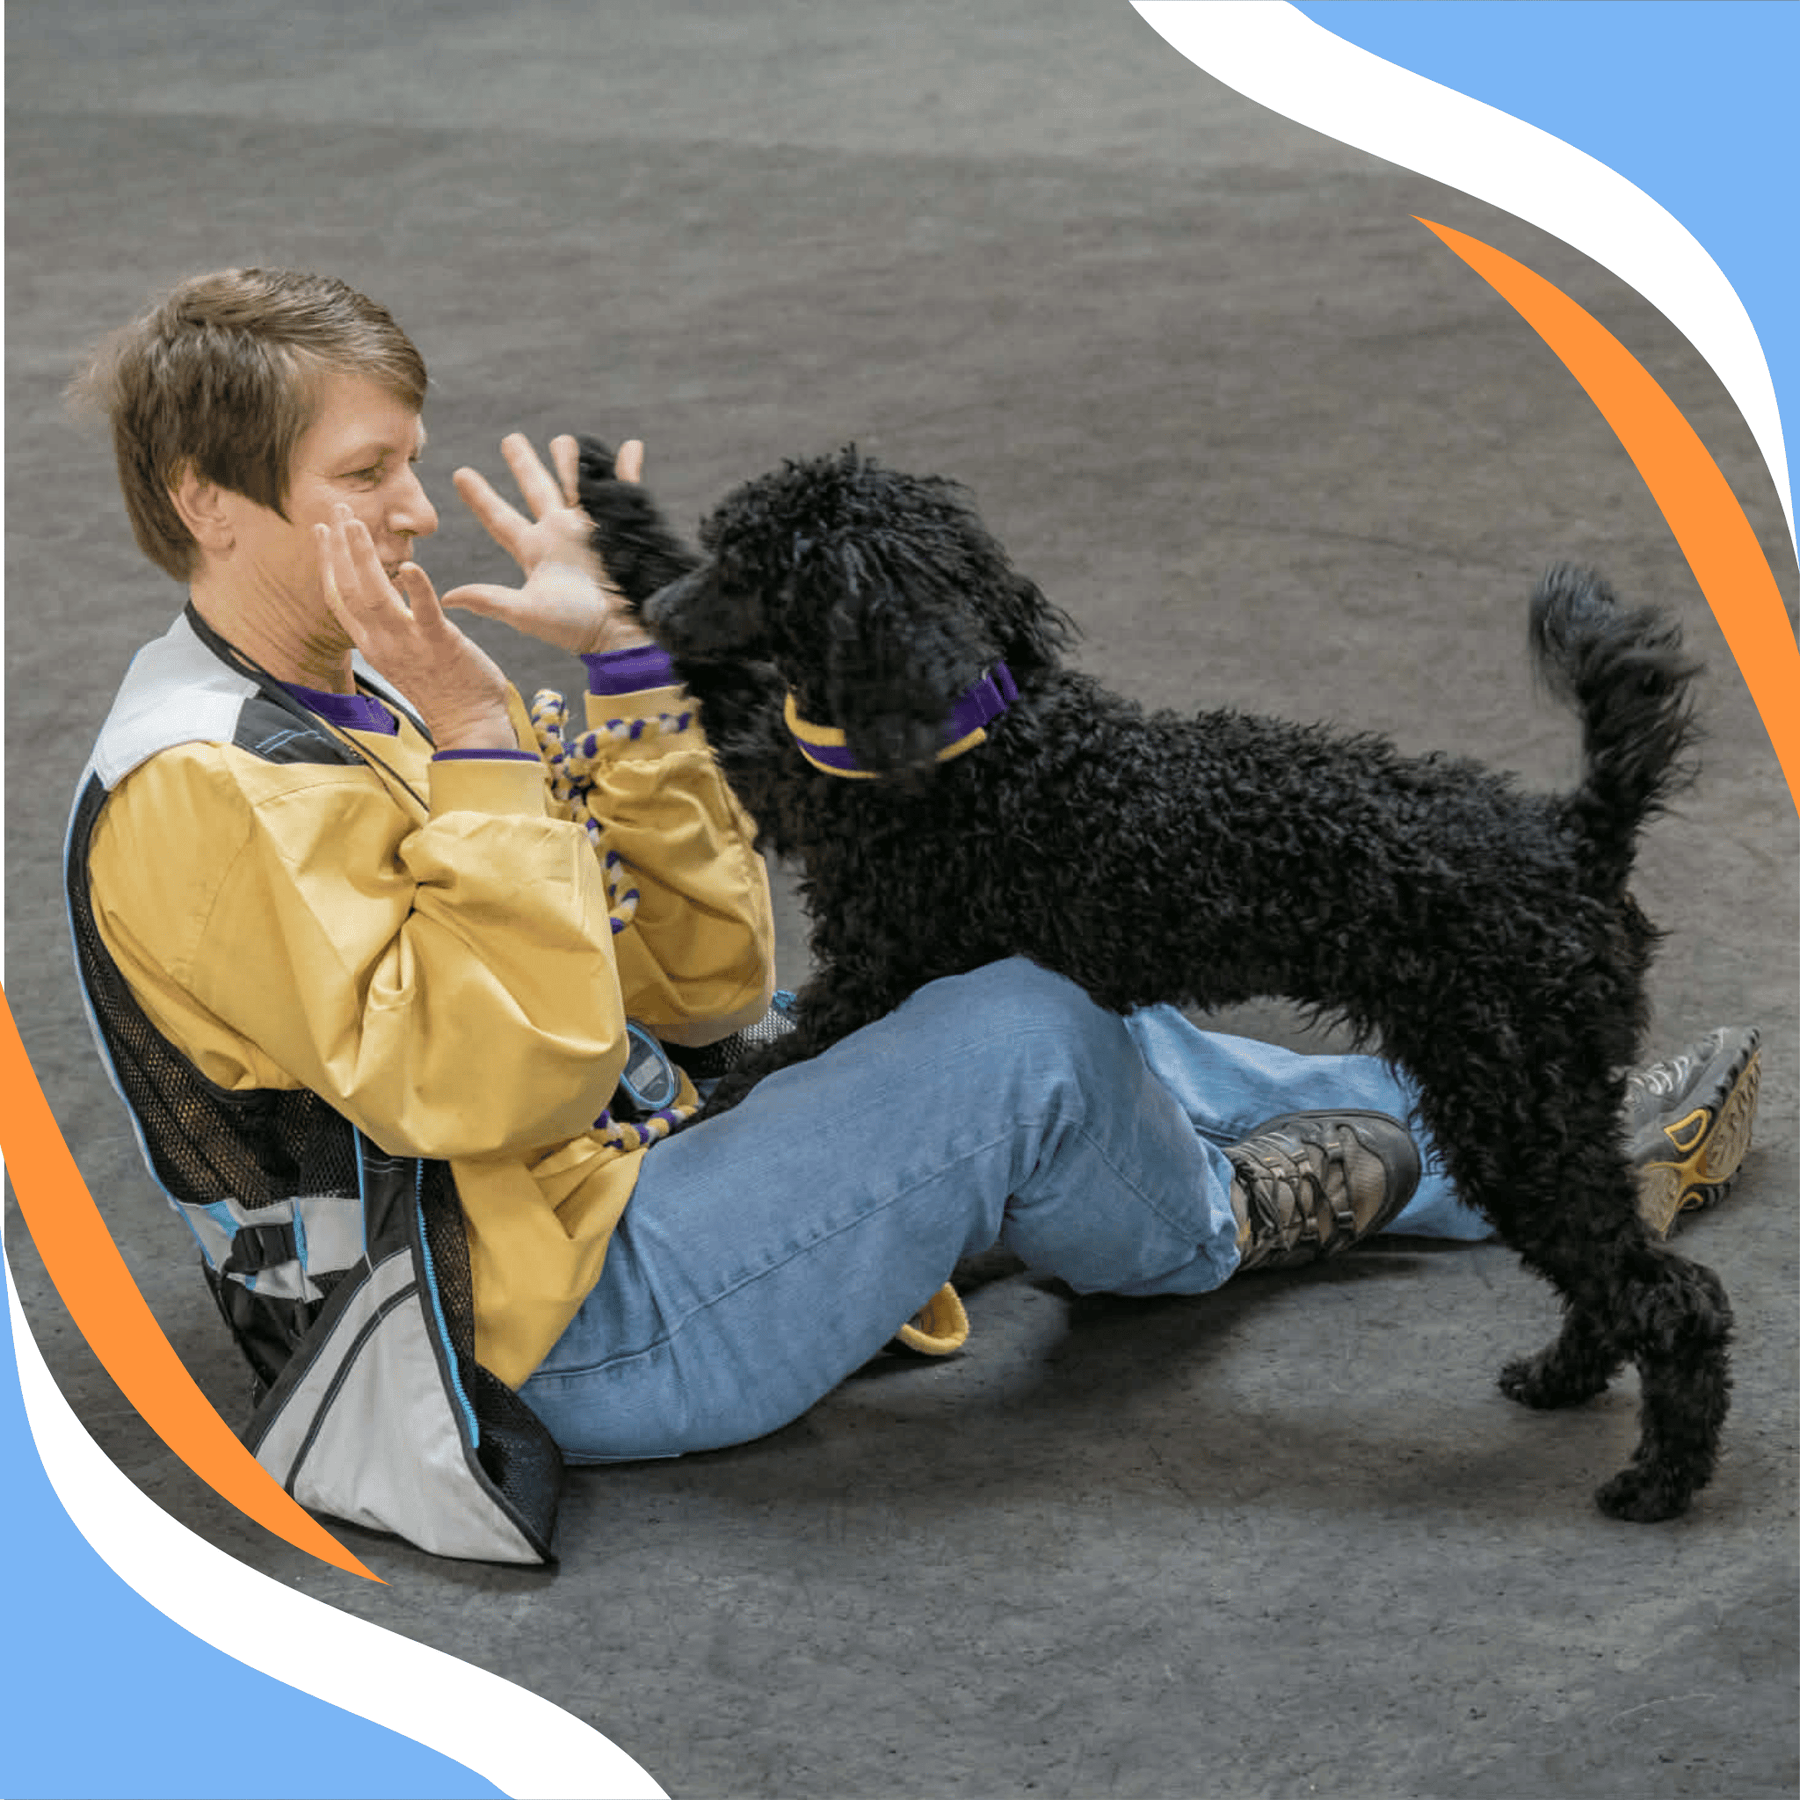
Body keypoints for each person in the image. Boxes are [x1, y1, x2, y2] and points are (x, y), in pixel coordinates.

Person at [65, 268, 1762, 1563]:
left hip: (626, 1175)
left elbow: (702, 983)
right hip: (547, 1328)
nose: (419, 512)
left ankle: (1510, 1138)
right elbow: (500, 1083)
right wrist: (493, 742)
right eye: (369, 472)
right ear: (211, 500)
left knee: (1045, 984)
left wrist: (631, 670)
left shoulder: (368, 682)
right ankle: (1272, 1198)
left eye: (413, 463)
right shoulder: (211, 787)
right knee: (1022, 1018)